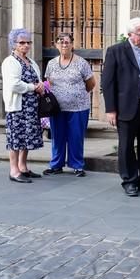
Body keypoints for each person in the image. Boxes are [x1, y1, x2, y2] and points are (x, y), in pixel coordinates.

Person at [101, 17, 140, 197]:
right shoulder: (116, 51)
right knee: (126, 146)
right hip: (126, 108)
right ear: (130, 34)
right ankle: (129, 181)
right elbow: (108, 83)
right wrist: (110, 109)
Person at [43, 33, 96, 177]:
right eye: (61, 42)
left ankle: (77, 165)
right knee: (57, 137)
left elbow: (91, 83)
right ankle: (56, 165)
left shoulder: (81, 62)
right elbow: (48, 82)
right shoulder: (52, 63)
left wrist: (76, 94)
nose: (64, 45)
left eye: (67, 42)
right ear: (56, 45)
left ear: (72, 44)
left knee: (76, 136)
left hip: (78, 107)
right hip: (57, 108)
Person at [2, 28, 45, 183]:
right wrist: (33, 87)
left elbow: (37, 79)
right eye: (22, 42)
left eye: (28, 42)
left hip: (31, 107)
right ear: (13, 44)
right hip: (18, 108)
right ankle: (14, 170)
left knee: (26, 138)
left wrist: (40, 86)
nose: (26, 45)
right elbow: (14, 85)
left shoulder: (31, 61)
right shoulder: (10, 62)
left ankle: (23, 167)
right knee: (16, 138)